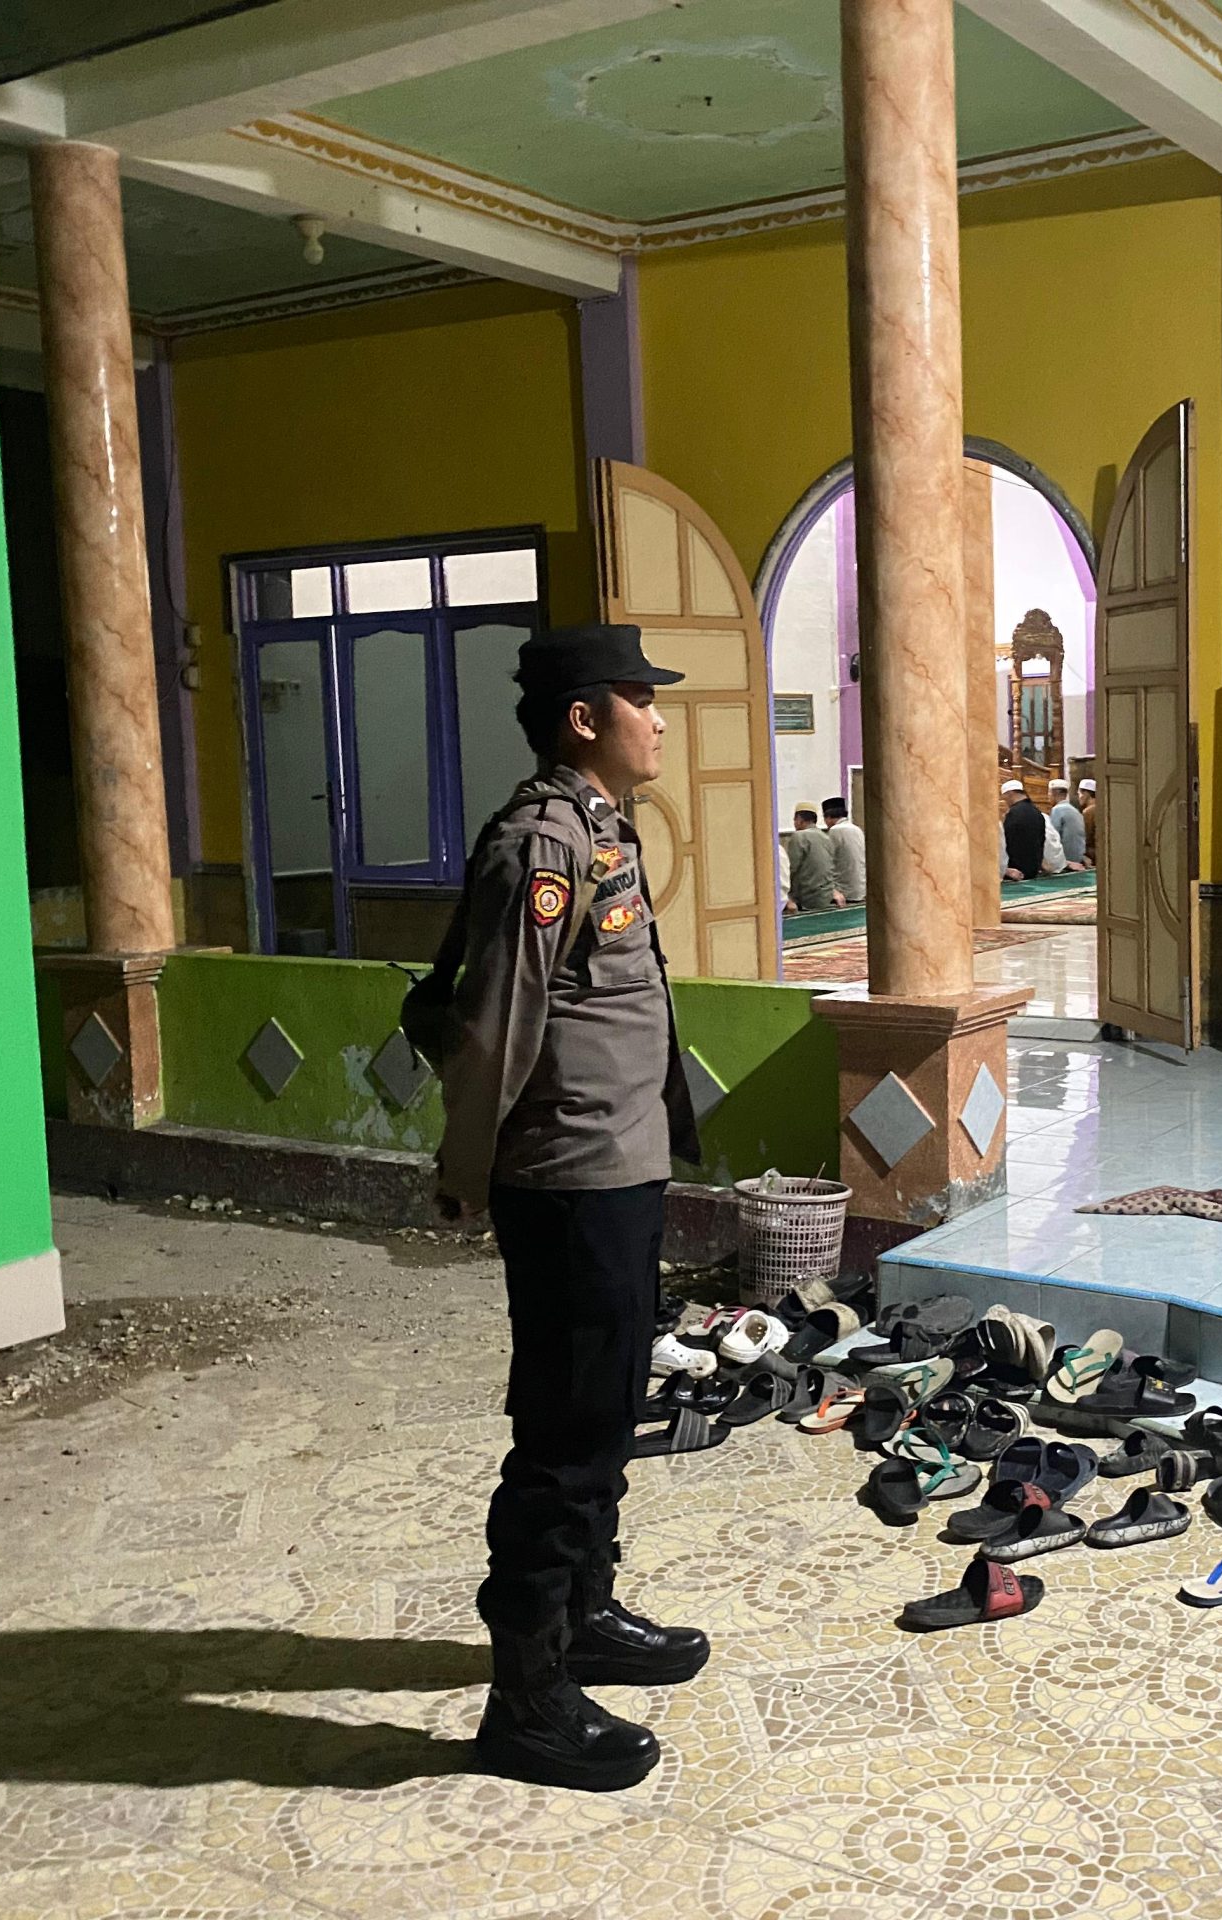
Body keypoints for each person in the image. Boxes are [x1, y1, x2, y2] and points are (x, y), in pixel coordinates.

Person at [430, 623, 708, 1794]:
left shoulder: (601, 828)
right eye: (641, 698)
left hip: (618, 1169)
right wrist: (464, 1163)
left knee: (604, 1413)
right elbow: (498, 1023)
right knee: (564, 1438)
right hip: (567, 1180)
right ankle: (527, 1700)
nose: (660, 718)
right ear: (584, 717)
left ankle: (585, 1613)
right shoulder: (542, 844)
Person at [784, 806, 843, 912]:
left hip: (806, 897)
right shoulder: (825, 836)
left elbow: (791, 868)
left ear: (800, 820)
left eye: (795, 820)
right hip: (826, 895)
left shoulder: (798, 836)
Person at [821, 795, 866, 904]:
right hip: (861, 889)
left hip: (844, 892)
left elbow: (826, 861)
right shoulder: (857, 829)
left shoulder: (835, 831)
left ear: (828, 817)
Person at [1000, 778, 1047, 881]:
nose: (1006, 802)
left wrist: (1005, 869)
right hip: (1034, 870)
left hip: (1015, 872)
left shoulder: (1013, 814)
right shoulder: (1037, 812)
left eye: (1005, 798)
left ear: (1010, 793)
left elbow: (1006, 842)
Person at [1047, 778, 1088, 870]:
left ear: (1054, 793)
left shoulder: (1057, 810)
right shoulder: (1075, 811)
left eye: (1049, 793)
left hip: (1067, 863)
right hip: (1079, 860)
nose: (1048, 796)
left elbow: (1053, 838)